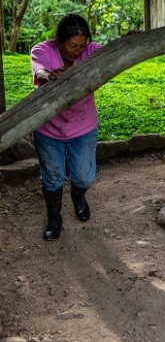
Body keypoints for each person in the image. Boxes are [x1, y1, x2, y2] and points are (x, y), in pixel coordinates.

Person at [31, 14, 102, 240]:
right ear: (59, 41)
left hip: (83, 126)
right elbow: (40, 71)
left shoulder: (92, 51)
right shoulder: (42, 50)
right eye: (72, 45)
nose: (77, 51)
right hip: (49, 129)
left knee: (84, 177)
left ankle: (78, 197)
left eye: (82, 45)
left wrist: (129, 41)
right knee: (53, 177)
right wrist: (47, 76)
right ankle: (55, 218)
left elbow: (114, 52)